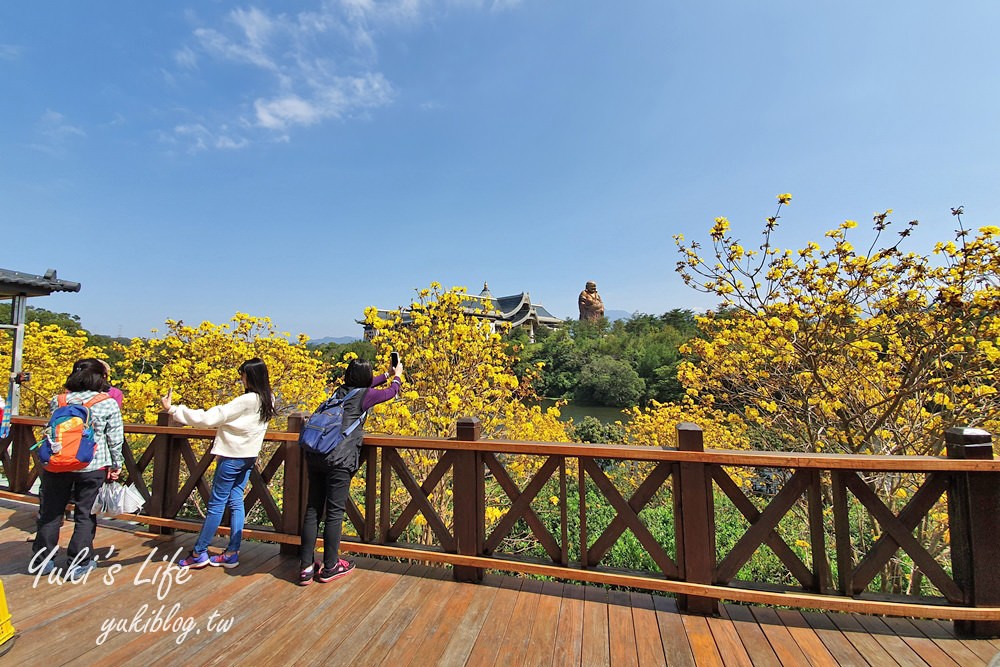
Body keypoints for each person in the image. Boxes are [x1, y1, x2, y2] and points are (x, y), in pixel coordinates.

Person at [161, 358, 276, 569]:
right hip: (248, 457)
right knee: (236, 502)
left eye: (242, 375)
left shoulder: (248, 400)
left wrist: (173, 410)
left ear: (249, 376)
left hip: (231, 457)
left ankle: (199, 552)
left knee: (216, 505)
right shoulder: (269, 398)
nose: (241, 379)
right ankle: (232, 552)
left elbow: (211, 418)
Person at [299, 357, 403, 585]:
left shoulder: (340, 392)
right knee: (334, 512)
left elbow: (370, 385)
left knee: (313, 509)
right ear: (366, 378)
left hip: (316, 455)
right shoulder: (365, 396)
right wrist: (397, 377)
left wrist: (385, 375)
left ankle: (306, 567)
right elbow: (391, 393)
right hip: (338, 459)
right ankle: (330, 566)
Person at [32, 358, 124, 577]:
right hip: (92, 465)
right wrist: (117, 464)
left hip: (57, 464)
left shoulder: (59, 400)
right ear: (101, 378)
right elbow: (115, 438)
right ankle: (78, 564)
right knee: (84, 515)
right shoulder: (107, 402)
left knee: (50, 513)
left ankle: (42, 561)